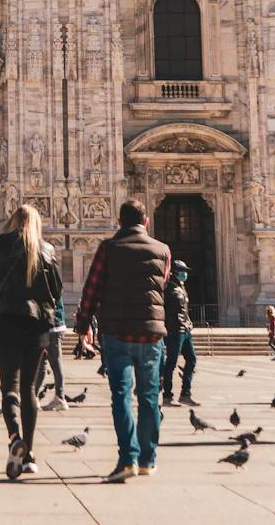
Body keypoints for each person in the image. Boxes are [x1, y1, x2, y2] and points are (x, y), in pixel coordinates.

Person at [77, 199, 170, 483]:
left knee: (121, 396)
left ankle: (127, 457)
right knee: (150, 398)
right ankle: (147, 460)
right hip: (151, 333)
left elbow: (92, 288)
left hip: (117, 331)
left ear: (119, 221)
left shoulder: (108, 248)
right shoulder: (162, 250)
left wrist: (84, 324)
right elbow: (161, 285)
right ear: (147, 222)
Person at [0, 203, 63, 481]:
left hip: (5, 322)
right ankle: (29, 456)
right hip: (37, 326)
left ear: (13, 221)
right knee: (29, 389)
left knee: (9, 388)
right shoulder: (47, 250)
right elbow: (57, 290)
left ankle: (14, 436)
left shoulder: (0, 244)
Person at [159, 260, 197, 407]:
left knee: (192, 360)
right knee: (171, 363)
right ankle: (167, 396)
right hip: (175, 331)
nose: (185, 274)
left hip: (185, 330)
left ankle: (185, 393)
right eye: (182, 271)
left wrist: (188, 323)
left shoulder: (180, 287)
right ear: (174, 272)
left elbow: (184, 310)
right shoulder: (168, 289)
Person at [38, 295, 69, 410]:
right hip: (52, 323)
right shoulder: (54, 279)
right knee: (43, 362)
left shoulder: (47, 278)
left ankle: (60, 397)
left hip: (50, 324)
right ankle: (35, 396)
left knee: (52, 363)